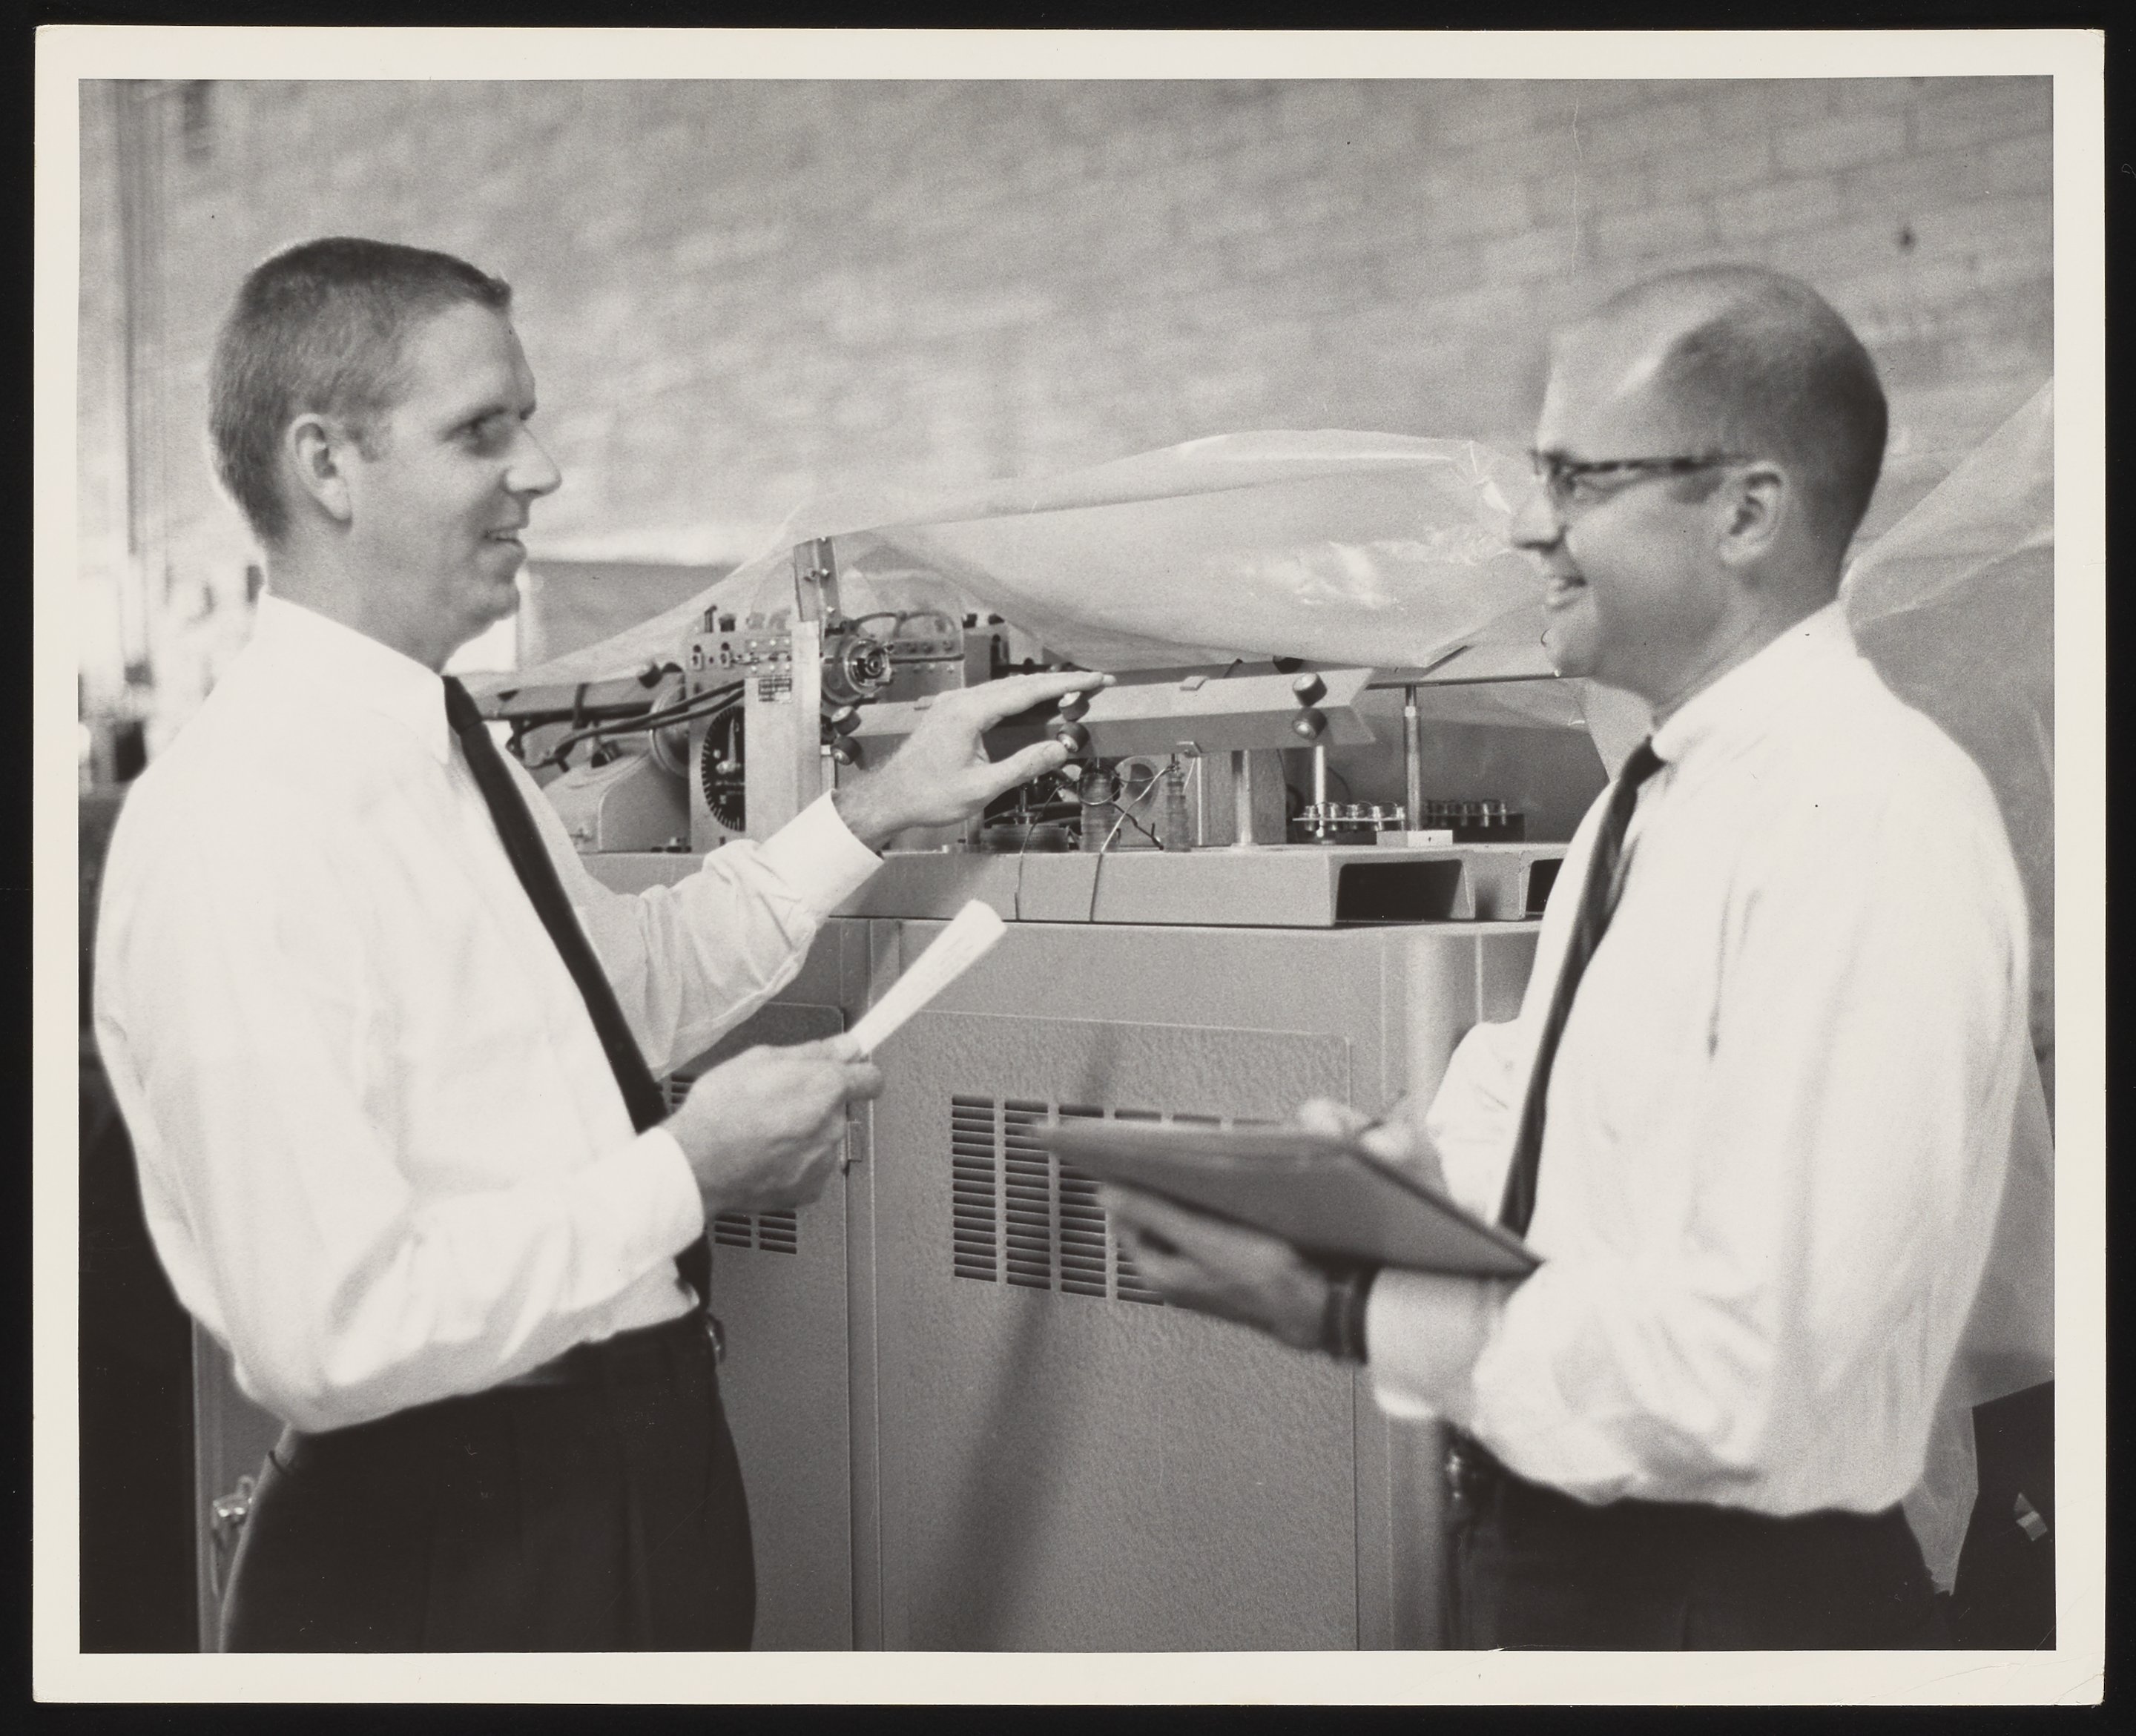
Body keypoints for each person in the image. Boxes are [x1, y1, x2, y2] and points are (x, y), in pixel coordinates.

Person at [93, 236, 1098, 1651]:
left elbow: (627, 991)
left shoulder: (455, 756)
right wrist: (690, 1170)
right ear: (327, 465)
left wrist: (877, 807)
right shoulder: (238, 821)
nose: (543, 471)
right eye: (480, 432)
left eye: (530, 421)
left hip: (631, 1479)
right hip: (447, 1544)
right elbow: (328, 1329)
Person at [1102, 265, 2034, 1650]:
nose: (1528, 526)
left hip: (1733, 1601)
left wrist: (1349, 1304)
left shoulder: (1868, 817)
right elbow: (1568, 1145)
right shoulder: (1649, 801)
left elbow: (1746, 1381)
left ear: (1747, 512)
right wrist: (1392, 1196)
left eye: (1577, 480)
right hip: (1582, 1553)